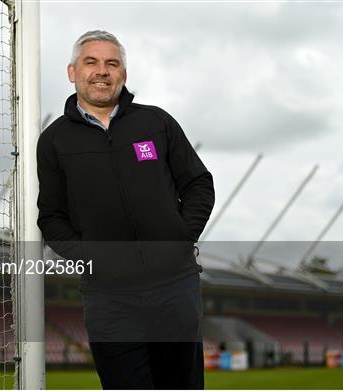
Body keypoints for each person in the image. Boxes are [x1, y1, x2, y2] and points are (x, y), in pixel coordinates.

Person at [37, 30, 215, 389]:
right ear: (72, 72)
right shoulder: (54, 140)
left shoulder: (156, 123)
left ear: (123, 75)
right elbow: (52, 218)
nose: (102, 71)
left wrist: (179, 239)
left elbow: (198, 184)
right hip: (109, 297)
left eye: (111, 63)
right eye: (91, 62)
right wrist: (93, 259)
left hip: (174, 288)